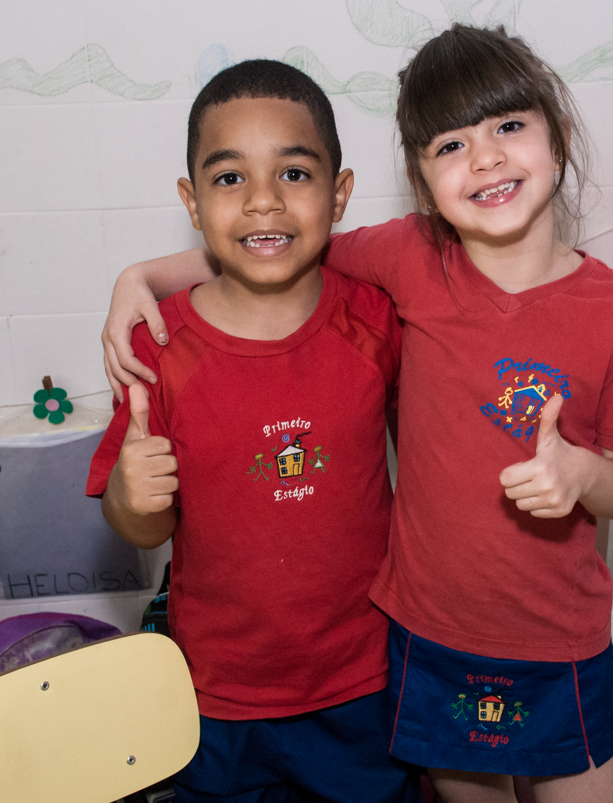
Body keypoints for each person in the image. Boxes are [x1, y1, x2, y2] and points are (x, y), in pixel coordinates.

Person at [101, 24, 613, 803]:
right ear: (419, 175)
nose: (487, 158)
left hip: (559, 642)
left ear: (559, 134)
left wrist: (583, 472)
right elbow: (279, 237)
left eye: (508, 126)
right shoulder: (407, 259)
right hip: (426, 641)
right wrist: (141, 276)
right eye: (450, 145)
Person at [85, 60, 417, 803]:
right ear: (192, 203)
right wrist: (133, 499)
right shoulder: (156, 345)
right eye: (230, 178)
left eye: (294, 173)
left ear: (340, 192)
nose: (263, 200)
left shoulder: (377, 318)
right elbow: (137, 524)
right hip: (216, 696)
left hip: (364, 682)